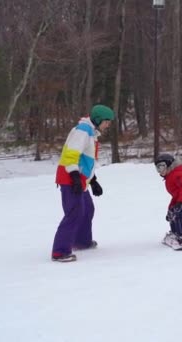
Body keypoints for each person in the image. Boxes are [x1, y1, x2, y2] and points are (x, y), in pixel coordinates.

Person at [51, 104, 114, 262]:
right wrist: (74, 177)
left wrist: (93, 181)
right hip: (70, 178)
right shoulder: (83, 131)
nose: (108, 125)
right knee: (75, 212)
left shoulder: (91, 133)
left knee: (87, 210)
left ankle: (81, 241)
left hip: (79, 178)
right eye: (107, 121)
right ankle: (60, 251)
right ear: (98, 119)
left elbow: (85, 161)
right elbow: (71, 156)